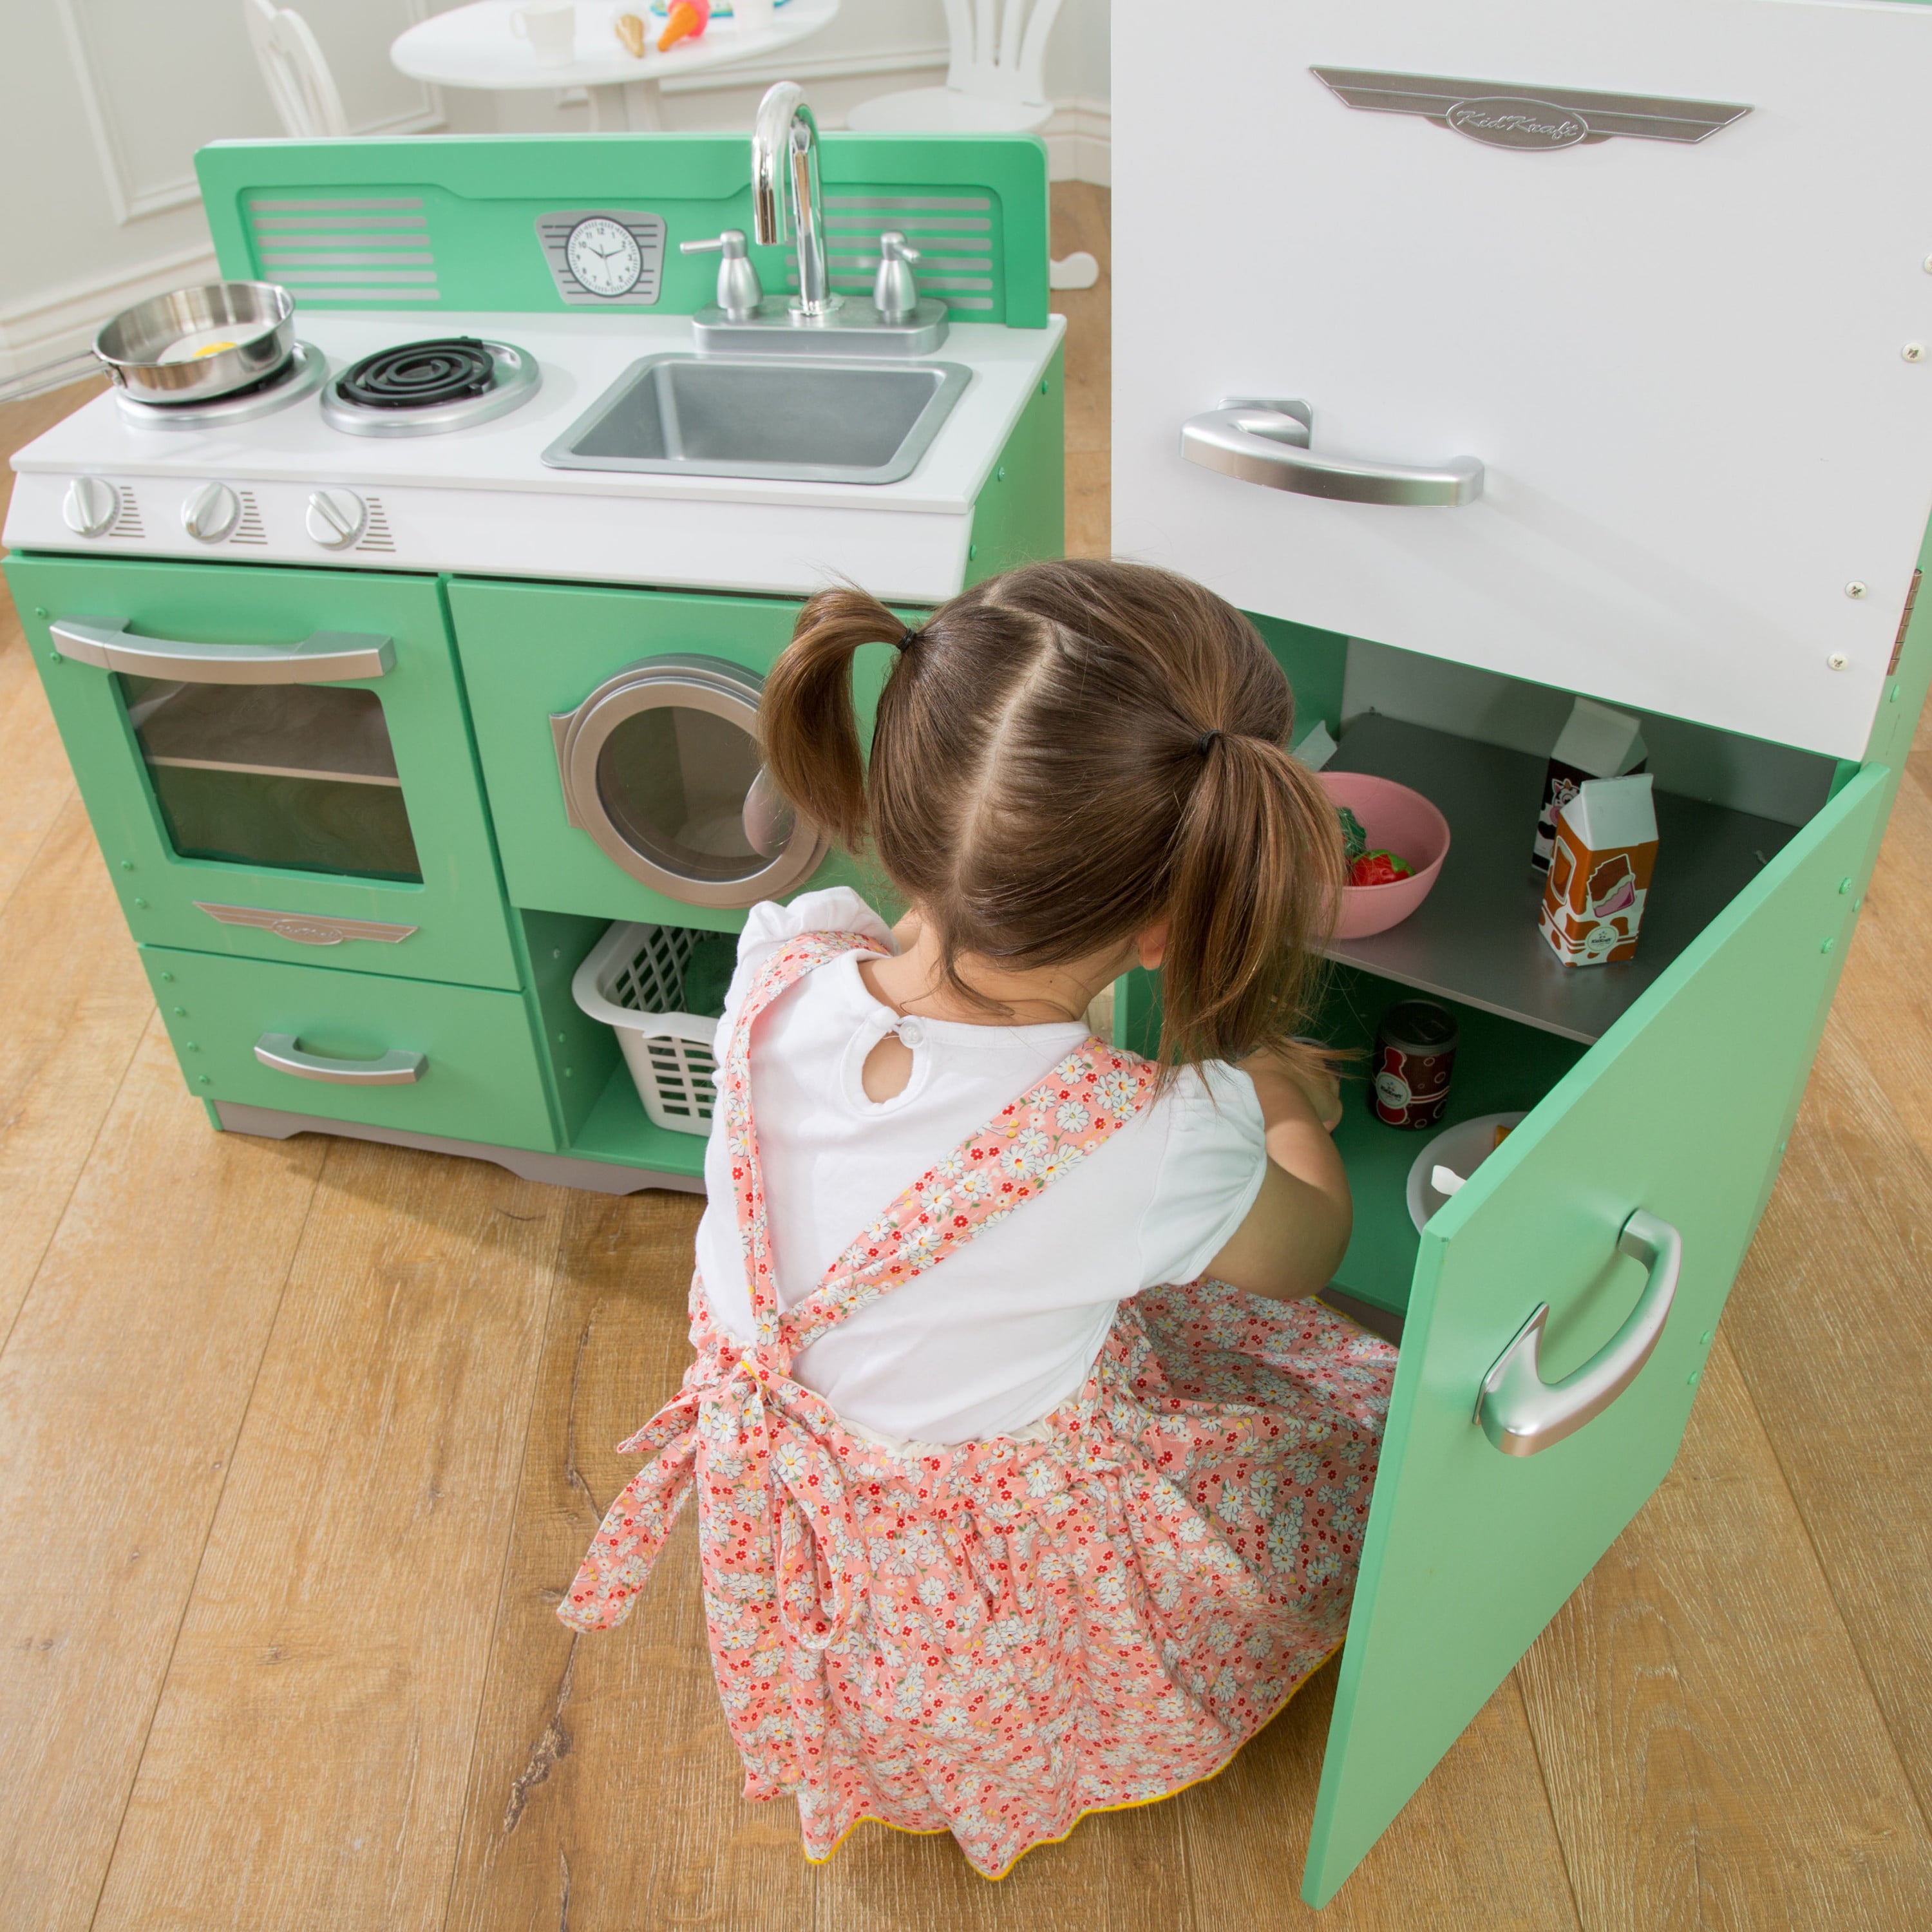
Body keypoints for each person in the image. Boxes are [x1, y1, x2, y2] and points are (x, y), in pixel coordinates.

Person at [559, 559, 1399, 1877]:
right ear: (1171, 928)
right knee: (1339, 1428)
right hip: (985, 1574)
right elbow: (1306, 1256)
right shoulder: (1151, 1134)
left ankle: (901, 1752)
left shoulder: (780, 962)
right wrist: (1282, 1096)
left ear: (901, 805)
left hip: (794, 1517)